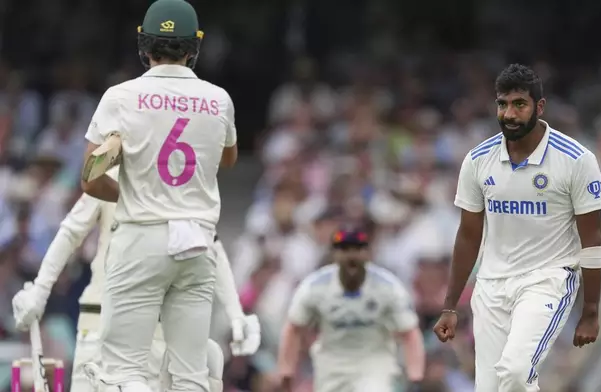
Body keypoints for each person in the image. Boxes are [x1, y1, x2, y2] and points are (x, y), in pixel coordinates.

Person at [79, 0, 239, 390]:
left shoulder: (120, 96)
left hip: (141, 237)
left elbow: (90, 178)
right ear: (193, 47)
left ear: (144, 45)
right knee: (191, 372)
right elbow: (228, 160)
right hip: (197, 241)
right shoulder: (218, 99)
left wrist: (133, 193)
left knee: (124, 369)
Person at [433, 64, 601, 392]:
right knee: (489, 388)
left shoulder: (576, 160)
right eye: (502, 104)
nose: (509, 114)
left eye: (519, 104)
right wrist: (449, 305)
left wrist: (591, 311)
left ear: (539, 107)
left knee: (514, 373)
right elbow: (469, 236)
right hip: (491, 287)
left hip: (547, 281)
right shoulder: (478, 160)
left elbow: (593, 240)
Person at [12, 167, 261, 392]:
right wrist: (40, 290)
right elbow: (72, 230)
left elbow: (210, 247)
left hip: (157, 333)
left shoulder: (184, 179)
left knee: (209, 358)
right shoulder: (113, 174)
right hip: (99, 324)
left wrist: (237, 315)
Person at [277, 227, 425, 392]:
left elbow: (409, 333)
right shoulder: (315, 287)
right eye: (345, 250)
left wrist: (415, 376)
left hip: (374, 363)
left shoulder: (388, 287)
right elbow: (294, 328)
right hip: (331, 366)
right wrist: (286, 372)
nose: (351, 256)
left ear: (368, 254)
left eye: (358, 249)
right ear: (335, 255)